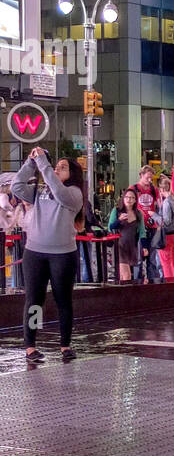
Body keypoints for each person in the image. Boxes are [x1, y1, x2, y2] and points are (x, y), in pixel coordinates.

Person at [12, 148, 85, 365]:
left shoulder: (74, 193)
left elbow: (58, 191)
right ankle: (31, 347)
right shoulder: (40, 190)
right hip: (35, 252)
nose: (56, 169)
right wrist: (31, 164)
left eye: (63, 167)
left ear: (72, 173)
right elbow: (16, 186)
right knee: (34, 301)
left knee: (63, 300)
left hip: (63, 255)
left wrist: (43, 164)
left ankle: (65, 345)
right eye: (56, 166)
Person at [108, 188, 146, 282]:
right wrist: (119, 220)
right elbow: (110, 227)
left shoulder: (138, 213)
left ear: (135, 200)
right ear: (123, 198)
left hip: (132, 247)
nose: (129, 200)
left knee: (124, 276)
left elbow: (142, 231)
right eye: (127, 197)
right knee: (126, 275)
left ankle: (120, 294)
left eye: (132, 198)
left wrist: (144, 247)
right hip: (120, 246)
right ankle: (127, 295)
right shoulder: (116, 211)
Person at [132, 166, 162, 281]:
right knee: (138, 260)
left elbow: (160, 206)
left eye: (151, 178)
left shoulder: (154, 190)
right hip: (139, 228)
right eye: (147, 178)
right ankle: (137, 283)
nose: (149, 181)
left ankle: (153, 283)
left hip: (152, 227)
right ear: (141, 175)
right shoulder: (134, 189)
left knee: (152, 259)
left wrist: (157, 220)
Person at [156, 175, 174, 281]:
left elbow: (166, 221)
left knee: (166, 262)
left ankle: (170, 286)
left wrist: (154, 215)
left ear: (162, 189)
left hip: (168, 235)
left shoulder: (167, 202)